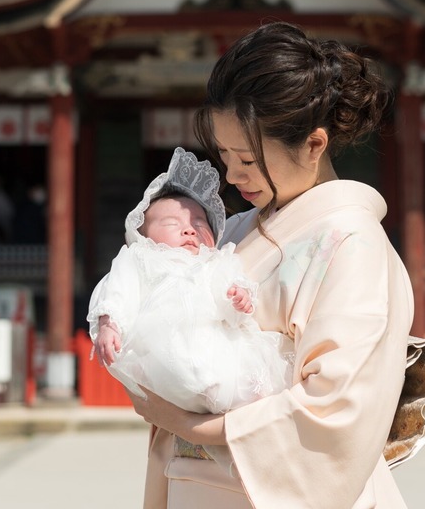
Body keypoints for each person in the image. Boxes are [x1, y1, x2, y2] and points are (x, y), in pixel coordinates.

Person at [128, 21, 416, 509]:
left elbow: (336, 408)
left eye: (247, 158)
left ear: (314, 145)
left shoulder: (353, 242)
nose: (231, 174)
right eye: (224, 155)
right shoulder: (236, 229)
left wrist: (189, 424)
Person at [87, 147, 289, 419]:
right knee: (178, 368)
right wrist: (110, 323)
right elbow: (119, 289)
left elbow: (227, 290)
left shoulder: (214, 261)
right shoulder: (141, 258)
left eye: (199, 222)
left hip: (214, 343)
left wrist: (238, 298)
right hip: (163, 342)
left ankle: (244, 397)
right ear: (143, 235)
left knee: (245, 367)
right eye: (172, 223)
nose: (189, 229)